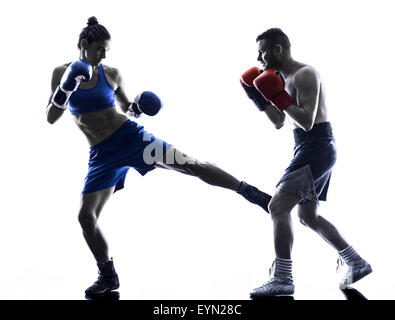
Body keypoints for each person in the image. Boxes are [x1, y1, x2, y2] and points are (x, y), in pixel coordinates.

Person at [46, 16, 272, 297]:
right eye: (100, 49)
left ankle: (253, 194)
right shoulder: (61, 72)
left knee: (192, 165)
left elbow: (127, 107)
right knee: (85, 217)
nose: (104, 54)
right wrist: (66, 87)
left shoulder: (112, 73)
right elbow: (51, 117)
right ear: (84, 45)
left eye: (107, 49)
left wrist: (138, 106)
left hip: (132, 139)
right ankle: (107, 276)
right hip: (102, 155)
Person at [240, 28, 372, 297]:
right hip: (307, 146)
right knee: (307, 216)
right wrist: (257, 96)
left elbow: (307, 121)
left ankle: (283, 278)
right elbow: (279, 122)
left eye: (262, 51)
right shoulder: (279, 78)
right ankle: (356, 262)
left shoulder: (305, 74)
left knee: (277, 206)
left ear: (278, 49)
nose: (258, 57)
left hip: (317, 145)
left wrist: (276, 95)